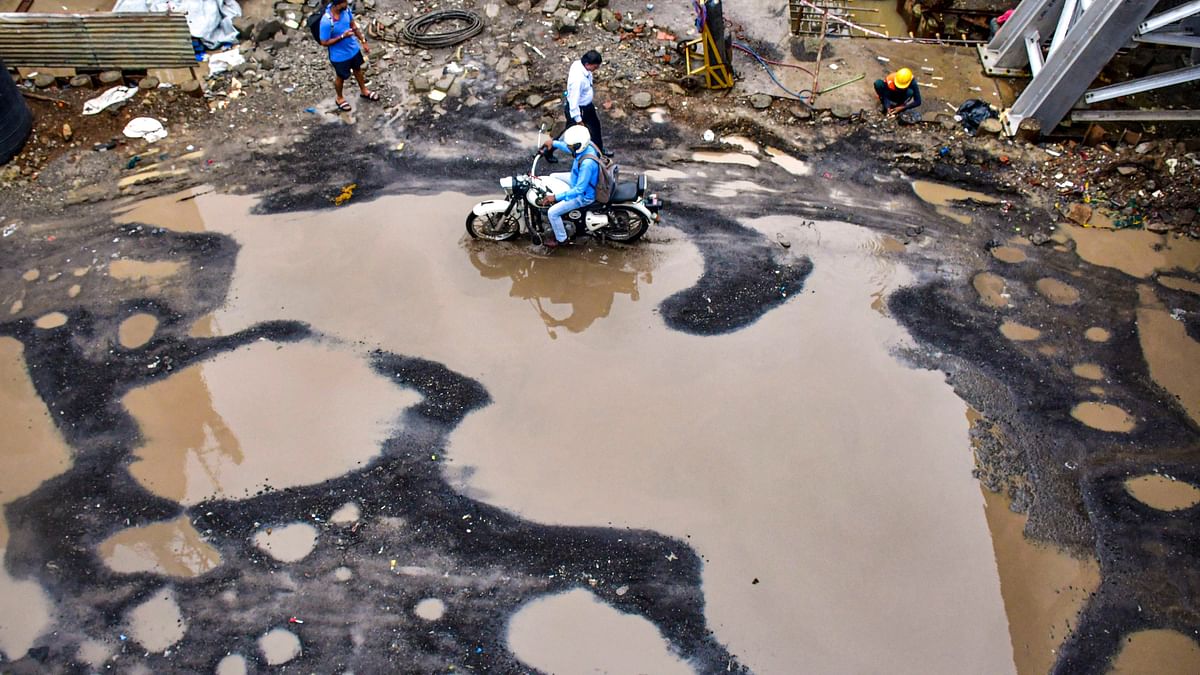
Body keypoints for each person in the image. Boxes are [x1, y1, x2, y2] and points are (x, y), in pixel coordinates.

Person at [538, 125, 600, 249]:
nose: (569, 148)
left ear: (579, 145)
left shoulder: (587, 164)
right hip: (576, 178)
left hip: (584, 195)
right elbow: (568, 148)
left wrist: (555, 197)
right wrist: (553, 143)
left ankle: (561, 239)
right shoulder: (588, 145)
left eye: (572, 146)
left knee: (553, 213)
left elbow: (579, 190)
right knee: (553, 176)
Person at [319, 0, 378, 112]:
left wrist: (363, 40)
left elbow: (353, 26)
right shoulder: (326, 21)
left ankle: (364, 91)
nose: (347, 4)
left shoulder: (346, 11)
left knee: (358, 70)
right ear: (337, 5)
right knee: (341, 77)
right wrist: (342, 36)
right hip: (339, 56)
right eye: (344, 2)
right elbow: (324, 42)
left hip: (353, 50)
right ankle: (340, 98)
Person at [563, 50, 609, 156]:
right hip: (579, 109)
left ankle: (599, 151)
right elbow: (574, 101)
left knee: (595, 128)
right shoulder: (578, 80)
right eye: (595, 67)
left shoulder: (578, 65)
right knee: (570, 133)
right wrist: (578, 119)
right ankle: (549, 149)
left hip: (587, 106)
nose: (595, 69)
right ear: (587, 64)